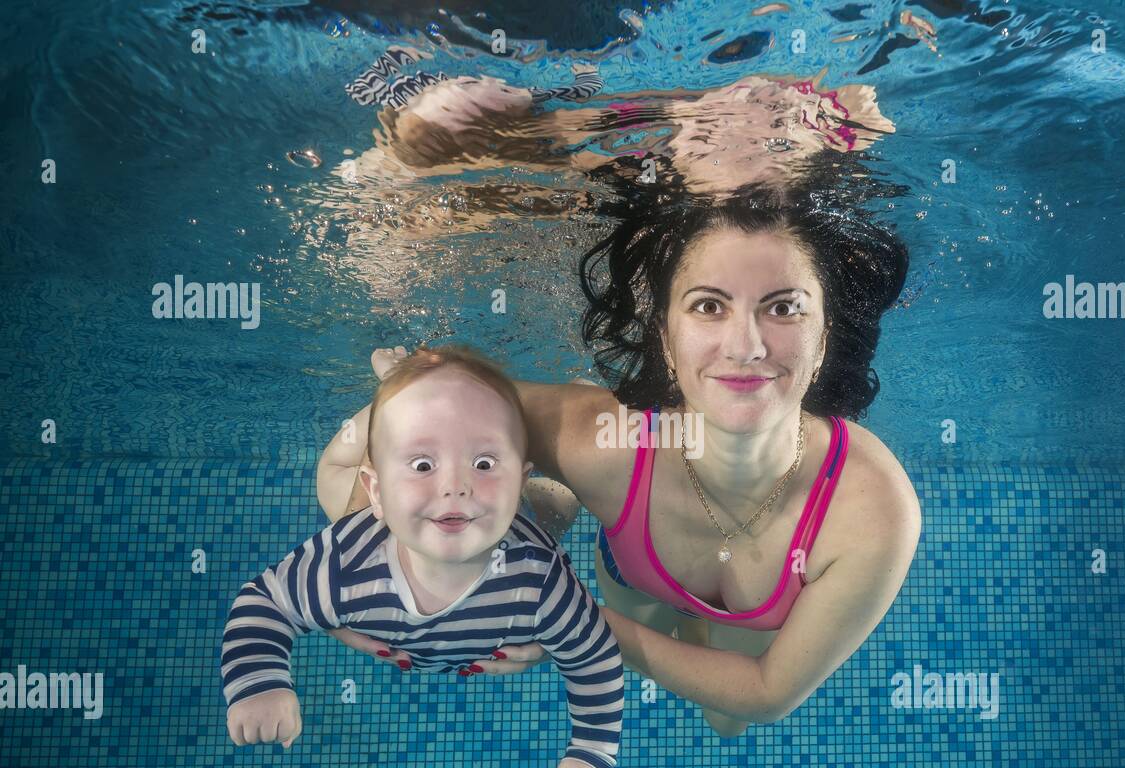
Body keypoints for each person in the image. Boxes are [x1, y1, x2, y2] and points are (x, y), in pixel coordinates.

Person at [318, 185, 921, 739]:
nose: (745, 346)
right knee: (621, 614)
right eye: (709, 307)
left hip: (742, 615)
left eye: (784, 308)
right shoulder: (600, 441)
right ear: (664, 335)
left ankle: (553, 509)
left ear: (824, 338)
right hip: (635, 573)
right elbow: (418, 418)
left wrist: (561, 618)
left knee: (729, 718)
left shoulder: (872, 510)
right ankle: (547, 504)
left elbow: (767, 693)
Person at [226, 344, 623, 768]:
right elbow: (265, 602)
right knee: (334, 472)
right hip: (364, 516)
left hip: (506, 525)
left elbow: (593, 656)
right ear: (378, 491)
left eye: (483, 462)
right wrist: (259, 680)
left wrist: (591, 751)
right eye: (422, 465)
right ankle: (391, 390)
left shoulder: (538, 580)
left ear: (519, 479)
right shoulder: (346, 565)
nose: (454, 486)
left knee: (559, 506)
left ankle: (427, 409)